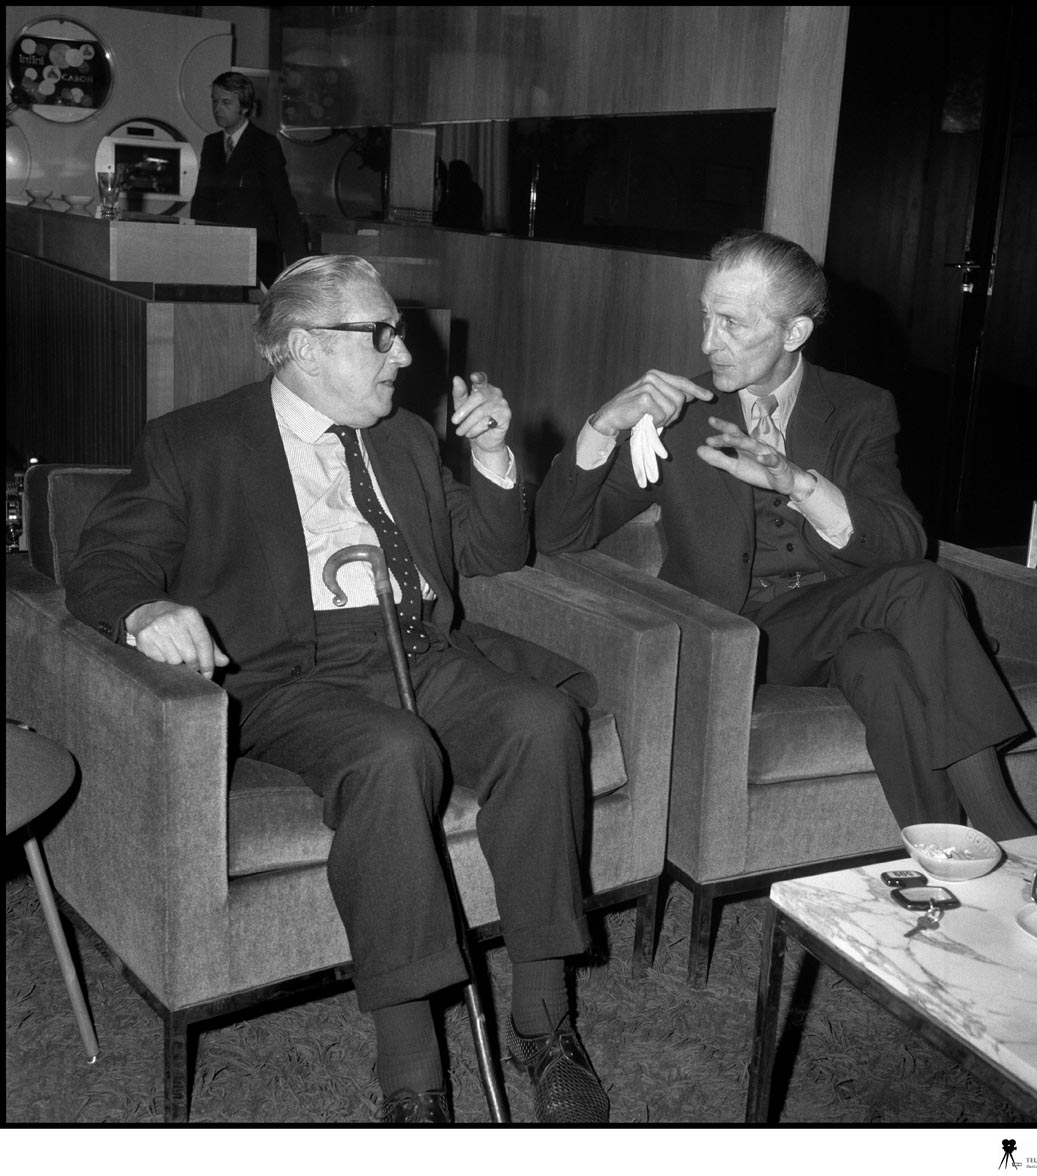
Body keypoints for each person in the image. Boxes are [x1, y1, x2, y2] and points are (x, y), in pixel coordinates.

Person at [63, 254, 609, 1125]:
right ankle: (413, 1076)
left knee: (542, 721)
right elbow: (103, 562)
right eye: (382, 335)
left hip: (421, 651)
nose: (403, 356)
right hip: (290, 674)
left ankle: (544, 1018)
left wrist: (495, 455)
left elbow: (491, 554)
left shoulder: (407, 438)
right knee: (391, 754)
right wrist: (143, 609)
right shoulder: (194, 442)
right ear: (306, 348)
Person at [535, 229, 1037, 841]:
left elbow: (904, 542)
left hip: (837, 620)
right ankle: (1014, 836)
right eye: (705, 317)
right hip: (733, 633)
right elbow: (558, 534)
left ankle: (942, 865)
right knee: (923, 589)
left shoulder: (858, 407)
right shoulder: (678, 413)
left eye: (731, 324)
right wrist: (603, 426)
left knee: (880, 660)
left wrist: (799, 483)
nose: (706, 343)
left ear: (794, 333)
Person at [190, 71, 307, 288]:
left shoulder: (265, 145)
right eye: (214, 101)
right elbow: (201, 200)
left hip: (256, 256)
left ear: (244, 107)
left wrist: (299, 266)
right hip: (216, 253)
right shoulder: (212, 144)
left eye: (225, 102)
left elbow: (283, 206)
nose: (217, 109)